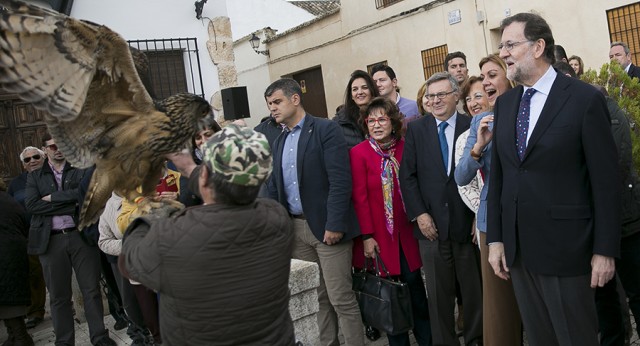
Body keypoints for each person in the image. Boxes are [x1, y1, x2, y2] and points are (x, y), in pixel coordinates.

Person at [487, 13, 621, 346]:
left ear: (539, 47)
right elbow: (500, 179)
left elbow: (606, 182)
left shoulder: (583, 99)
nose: (503, 53)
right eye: (501, 45)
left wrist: (605, 250)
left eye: (510, 44)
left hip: (568, 252)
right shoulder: (505, 105)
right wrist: (496, 240)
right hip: (519, 254)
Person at [121, 124, 295, 345]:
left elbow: (130, 260)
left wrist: (157, 210)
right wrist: (189, 167)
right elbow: (229, 185)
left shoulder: (171, 235)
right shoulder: (276, 218)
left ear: (205, 178)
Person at [265, 78, 364, 346]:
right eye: (270, 104)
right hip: (297, 230)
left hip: (328, 228)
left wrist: (334, 224)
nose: (272, 108)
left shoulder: (325, 129)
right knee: (318, 298)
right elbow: (275, 186)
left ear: (295, 99)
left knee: (340, 297)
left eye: (277, 102)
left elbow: (340, 181)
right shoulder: (279, 140)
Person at [400, 72, 482, 346]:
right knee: (438, 300)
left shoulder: (473, 126)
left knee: (474, 296)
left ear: (456, 96)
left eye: (441, 94)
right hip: (431, 229)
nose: (434, 100)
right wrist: (420, 214)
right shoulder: (416, 130)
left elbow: (485, 176)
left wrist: (478, 216)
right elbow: (407, 177)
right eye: (430, 96)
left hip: (466, 227)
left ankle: (475, 341)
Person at [351, 96, 432, 346]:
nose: (376, 125)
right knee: (390, 297)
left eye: (382, 119)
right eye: (371, 120)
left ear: (393, 122)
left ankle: (427, 340)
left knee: (415, 291)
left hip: (407, 234)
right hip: (379, 238)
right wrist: (366, 236)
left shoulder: (406, 147)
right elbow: (360, 199)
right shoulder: (359, 153)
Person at [455, 54, 523, 346]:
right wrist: (479, 145)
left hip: (528, 217)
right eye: (482, 77)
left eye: (492, 76)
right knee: (500, 309)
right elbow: (461, 176)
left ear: (509, 77)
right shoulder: (481, 122)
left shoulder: (526, 111)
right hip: (491, 223)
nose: (485, 83)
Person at [25, 133, 116, 346]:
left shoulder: (81, 171)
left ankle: (99, 337)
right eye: (53, 146)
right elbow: (32, 205)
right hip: (51, 241)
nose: (58, 149)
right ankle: (64, 341)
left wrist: (54, 198)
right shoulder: (35, 177)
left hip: (80, 236)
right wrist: (73, 202)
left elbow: (88, 196)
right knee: (58, 296)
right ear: (45, 149)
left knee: (91, 290)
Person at [7, 146, 47, 330]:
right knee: (34, 275)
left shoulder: (55, 175)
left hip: (57, 232)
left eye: (36, 156)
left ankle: (67, 304)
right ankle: (36, 312)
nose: (32, 161)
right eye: (27, 159)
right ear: (23, 165)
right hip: (30, 235)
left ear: (43, 157)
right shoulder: (15, 184)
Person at [0, 179, 35, 346]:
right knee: (9, 296)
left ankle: (20, 337)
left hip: (5, 255)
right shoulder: (7, 198)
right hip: (13, 252)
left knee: (7, 298)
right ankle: (14, 335)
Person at [334, 70, 380, 149]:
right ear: (351, 95)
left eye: (364, 87)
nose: (360, 92)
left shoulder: (386, 113)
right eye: (355, 89)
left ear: (372, 90)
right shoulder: (339, 122)